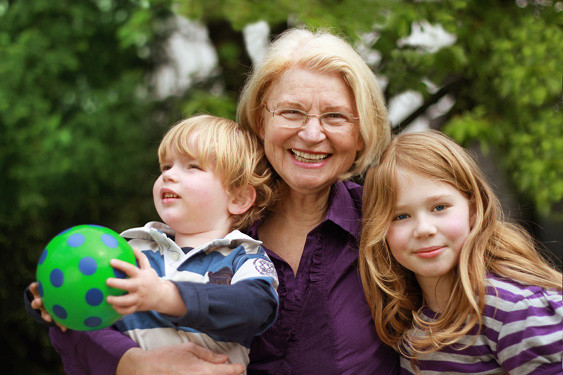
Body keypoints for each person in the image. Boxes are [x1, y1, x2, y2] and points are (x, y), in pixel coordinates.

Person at [28, 28, 400, 374]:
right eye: (292, 112)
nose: (312, 133)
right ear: (260, 120)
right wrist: (133, 363)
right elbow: (70, 315)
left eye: (335, 117)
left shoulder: (388, 224)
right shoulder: (207, 217)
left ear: (361, 136)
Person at [30, 115, 280, 374]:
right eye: (166, 167)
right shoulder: (130, 249)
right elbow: (86, 306)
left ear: (238, 198)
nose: (169, 175)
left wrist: (166, 296)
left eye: (192, 166)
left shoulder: (244, 255)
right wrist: (46, 298)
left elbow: (255, 308)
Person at [359, 130, 563, 374]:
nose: (424, 229)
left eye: (439, 207)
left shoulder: (516, 309)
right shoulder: (409, 319)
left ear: (474, 209)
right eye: (401, 216)